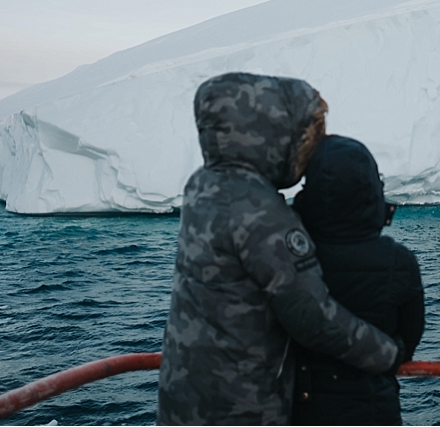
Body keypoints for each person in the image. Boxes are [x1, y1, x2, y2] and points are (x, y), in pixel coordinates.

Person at [157, 73, 399, 426]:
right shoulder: (260, 212)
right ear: (276, 135)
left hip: (184, 394)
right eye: (308, 137)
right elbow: (310, 316)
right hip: (240, 406)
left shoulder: (204, 184)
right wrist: (387, 353)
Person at [291, 135, 425, 426]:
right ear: (371, 190)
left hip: (301, 412)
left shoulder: (290, 258)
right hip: (375, 411)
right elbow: (409, 341)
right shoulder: (399, 261)